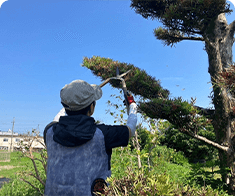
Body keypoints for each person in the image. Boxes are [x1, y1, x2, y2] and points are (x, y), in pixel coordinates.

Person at [43, 80, 137, 196]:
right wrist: (132, 105)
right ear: (92, 108)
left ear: (64, 105)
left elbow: (58, 117)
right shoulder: (103, 134)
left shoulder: (49, 132)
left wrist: (73, 100)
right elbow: (130, 129)